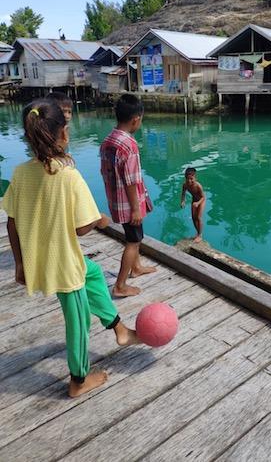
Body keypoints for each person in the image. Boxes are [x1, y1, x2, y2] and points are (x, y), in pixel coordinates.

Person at [2, 98, 140, 398]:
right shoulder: (68, 176)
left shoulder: (21, 173)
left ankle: (119, 329)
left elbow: (11, 222)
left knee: (92, 274)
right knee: (77, 321)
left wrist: (21, 265)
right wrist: (100, 220)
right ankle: (78, 380)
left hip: (38, 259)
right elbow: (81, 226)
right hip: (63, 264)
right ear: (64, 134)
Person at [100, 94, 156, 298]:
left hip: (116, 202)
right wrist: (135, 209)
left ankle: (137, 268)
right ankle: (120, 285)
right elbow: (131, 180)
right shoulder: (129, 145)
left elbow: (105, 172)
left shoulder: (108, 140)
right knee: (133, 241)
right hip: (129, 204)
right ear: (136, 119)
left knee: (135, 236)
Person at [181, 167, 206, 243]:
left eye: (191, 179)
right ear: (185, 178)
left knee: (198, 217)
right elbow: (183, 194)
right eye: (187, 179)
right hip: (194, 201)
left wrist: (198, 203)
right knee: (193, 218)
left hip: (201, 201)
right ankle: (197, 233)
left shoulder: (198, 186)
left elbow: (203, 197)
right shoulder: (185, 185)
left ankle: (200, 235)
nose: (189, 181)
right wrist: (183, 201)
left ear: (195, 178)